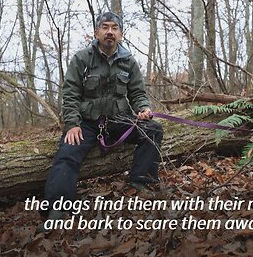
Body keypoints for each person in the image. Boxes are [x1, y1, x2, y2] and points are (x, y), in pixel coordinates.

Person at [42, 12, 163, 221]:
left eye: (114, 28)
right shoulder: (81, 59)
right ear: (96, 33)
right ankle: (57, 210)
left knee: (153, 130)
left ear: (121, 34)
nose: (109, 32)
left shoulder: (129, 61)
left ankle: (140, 182)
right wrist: (72, 124)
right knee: (68, 153)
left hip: (119, 119)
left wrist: (143, 109)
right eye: (105, 27)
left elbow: (137, 93)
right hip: (87, 123)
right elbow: (70, 94)